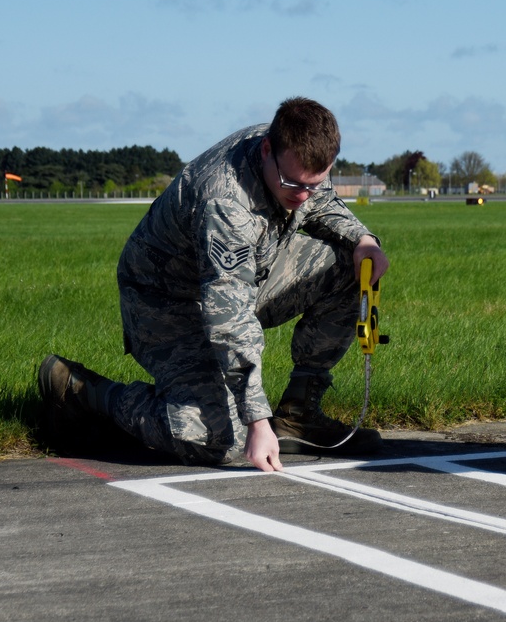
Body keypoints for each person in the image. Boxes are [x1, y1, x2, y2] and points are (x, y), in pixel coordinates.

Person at [38, 97, 389, 472]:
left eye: (314, 183)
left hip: (248, 275)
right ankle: (83, 392)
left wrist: (362, 239)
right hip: (167, 302)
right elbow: (230, 317)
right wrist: (256, 420)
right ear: (268, 149)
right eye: (292, 184)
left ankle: (299, 413)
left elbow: (321, 203)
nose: (302, 195)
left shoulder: (301, 154)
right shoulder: (225, 201)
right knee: (221, 439)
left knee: (348, 264)